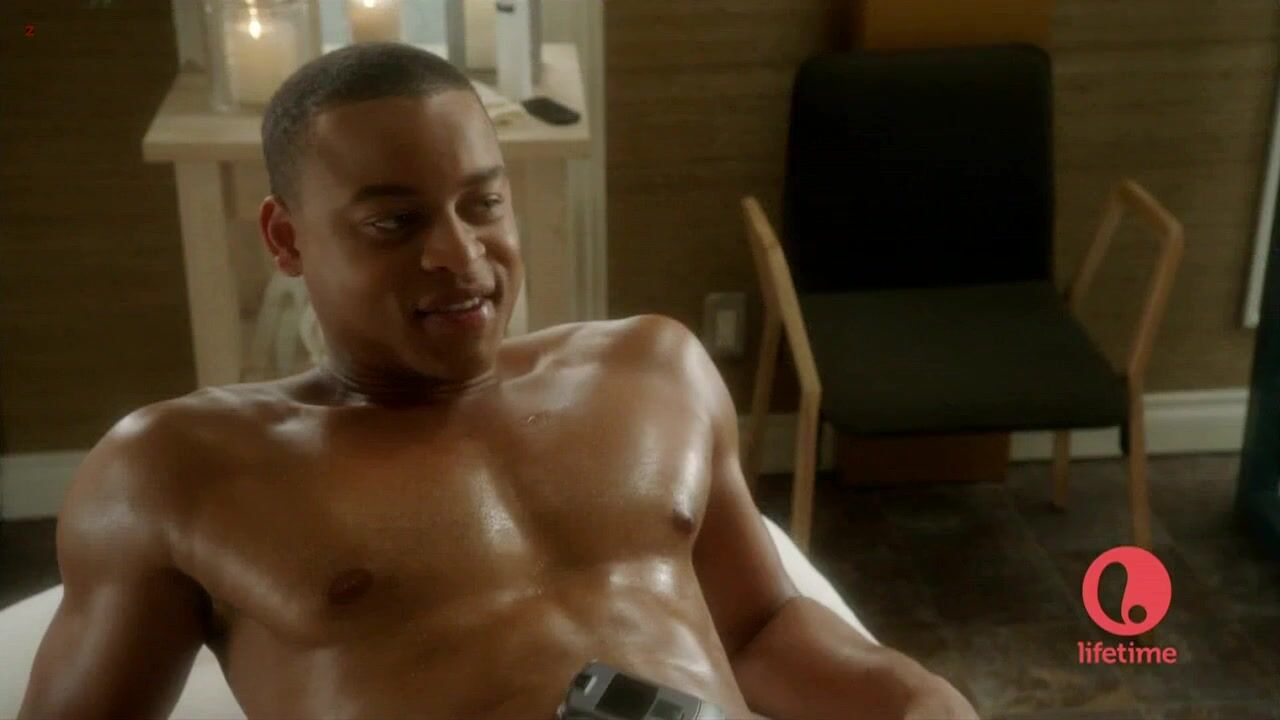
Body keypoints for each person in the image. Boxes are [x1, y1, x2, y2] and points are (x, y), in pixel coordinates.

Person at [18, 43, 977, 720]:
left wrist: (906, 694)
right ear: (286, 238)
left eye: (482, 204)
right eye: (394, 223)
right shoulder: (176, 471)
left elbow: (759, 629)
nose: (461, 255)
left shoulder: (653, 372)